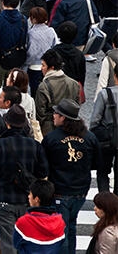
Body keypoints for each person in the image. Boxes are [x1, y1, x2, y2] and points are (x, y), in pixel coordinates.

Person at [0, 104, 50, 251]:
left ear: (7, 124)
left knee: (8, 241)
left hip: (4, 199)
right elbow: (43, 172)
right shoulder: (35, 146)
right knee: (27, 239)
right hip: (28, 199)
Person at [41, 99, 98, 253]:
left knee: (62, 230)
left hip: (60, 190)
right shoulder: (90, 137)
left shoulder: (51, 138)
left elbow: (43, 165)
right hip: (80, 190)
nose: (53, 115)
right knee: (71, 225)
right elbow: (96, 163)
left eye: (56, 113)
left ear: (63, 118)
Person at [35, 49, 83, 136]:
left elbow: (40, 113)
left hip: (49, 128)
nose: (41, 68)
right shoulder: (74, 83)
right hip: (70, 126)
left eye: (43, 65)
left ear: (52, 67)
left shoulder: (44, 86)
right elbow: (76, 105)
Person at [13, 179, 67, 253]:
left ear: (36, 199)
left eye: (30, 194)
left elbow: (16, 244)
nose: (28, 196)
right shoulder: (60, 222)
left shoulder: (23, 222)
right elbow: (61, 243)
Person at [91, 67, 118, 193]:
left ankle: (105, 202)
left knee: (102, 172)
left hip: (106, 139)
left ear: (115, 76)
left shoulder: (105, 94)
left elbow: (95, 120)